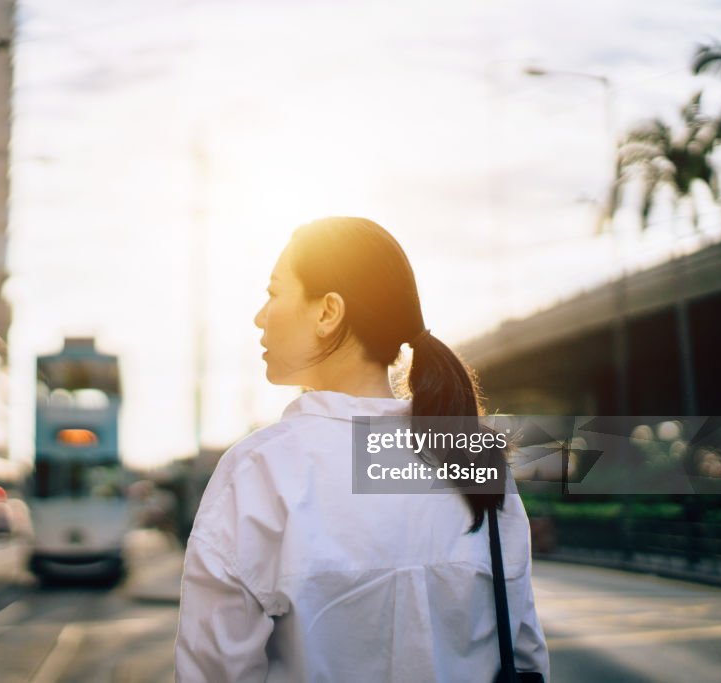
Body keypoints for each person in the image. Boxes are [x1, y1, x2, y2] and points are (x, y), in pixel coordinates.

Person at [174, 217, 549, 682]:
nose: (259, 315)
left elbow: (214, 673)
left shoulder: (260, 471)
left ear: (329, 312)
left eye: (273, 292)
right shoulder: (473, 458)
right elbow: (524, 653)